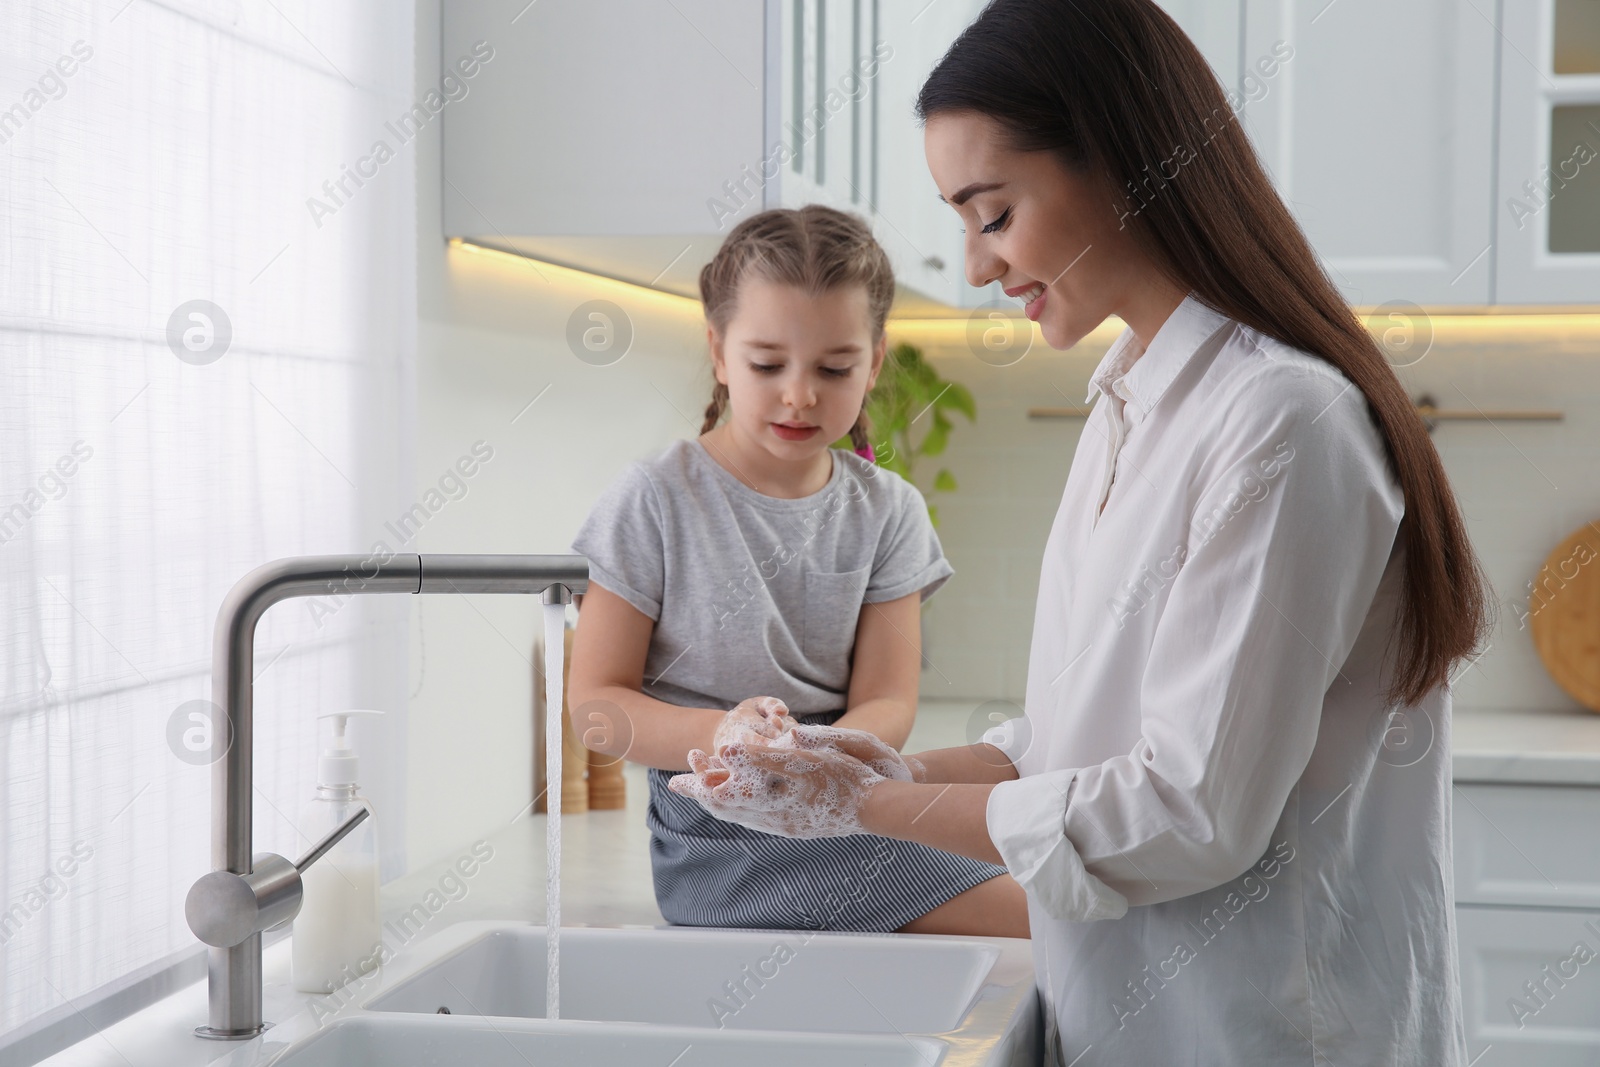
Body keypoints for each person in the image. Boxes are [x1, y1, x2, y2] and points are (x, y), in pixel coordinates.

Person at [668, 1, 1494, 1063]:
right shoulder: (1128, 398)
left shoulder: (1284, 421)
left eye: (994, 213)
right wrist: (881, 765)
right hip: (1124, 1014)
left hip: (1258, 1036)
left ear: (1122, 162)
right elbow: (1075, 738)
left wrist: (869, 805)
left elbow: (1191, 808)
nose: (972, 264)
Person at [567, 203, 1028, 938]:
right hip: (717, 840)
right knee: (1047, 911)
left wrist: (818, 767)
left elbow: (887, 700)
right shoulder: (655, 498)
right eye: (767, 363)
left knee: (1059, 880)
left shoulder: (889, 510)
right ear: (718, 353)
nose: (800, 393)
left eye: (834, 367)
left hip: (848, 803)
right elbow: (594, 706)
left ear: (875, 362)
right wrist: (728, 734)